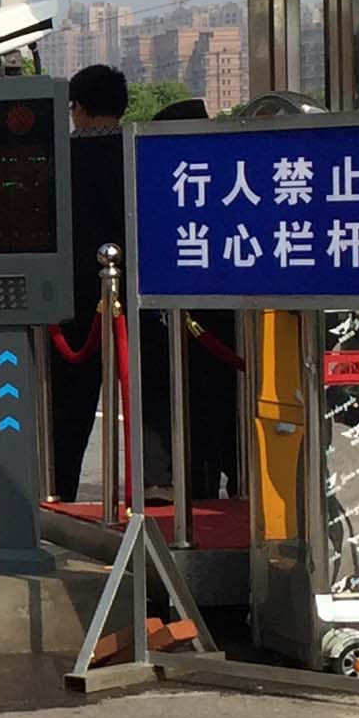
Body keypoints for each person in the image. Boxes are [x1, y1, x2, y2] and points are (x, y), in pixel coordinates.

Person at [141, 96, 241, 501]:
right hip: (222, 321)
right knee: (226, 410)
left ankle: (200, 488)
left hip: (199, 322)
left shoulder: (173, 182)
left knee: (201, 411)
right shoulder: (233, 176)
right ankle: (234, 484)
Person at [49, 63, 128, 501]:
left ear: (76, 109)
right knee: (146, 402)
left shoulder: (61, 158)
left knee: (69, 409)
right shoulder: (140, 154)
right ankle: (158, 492)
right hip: (140, 302)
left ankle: (59, 491)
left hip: (74, 303)